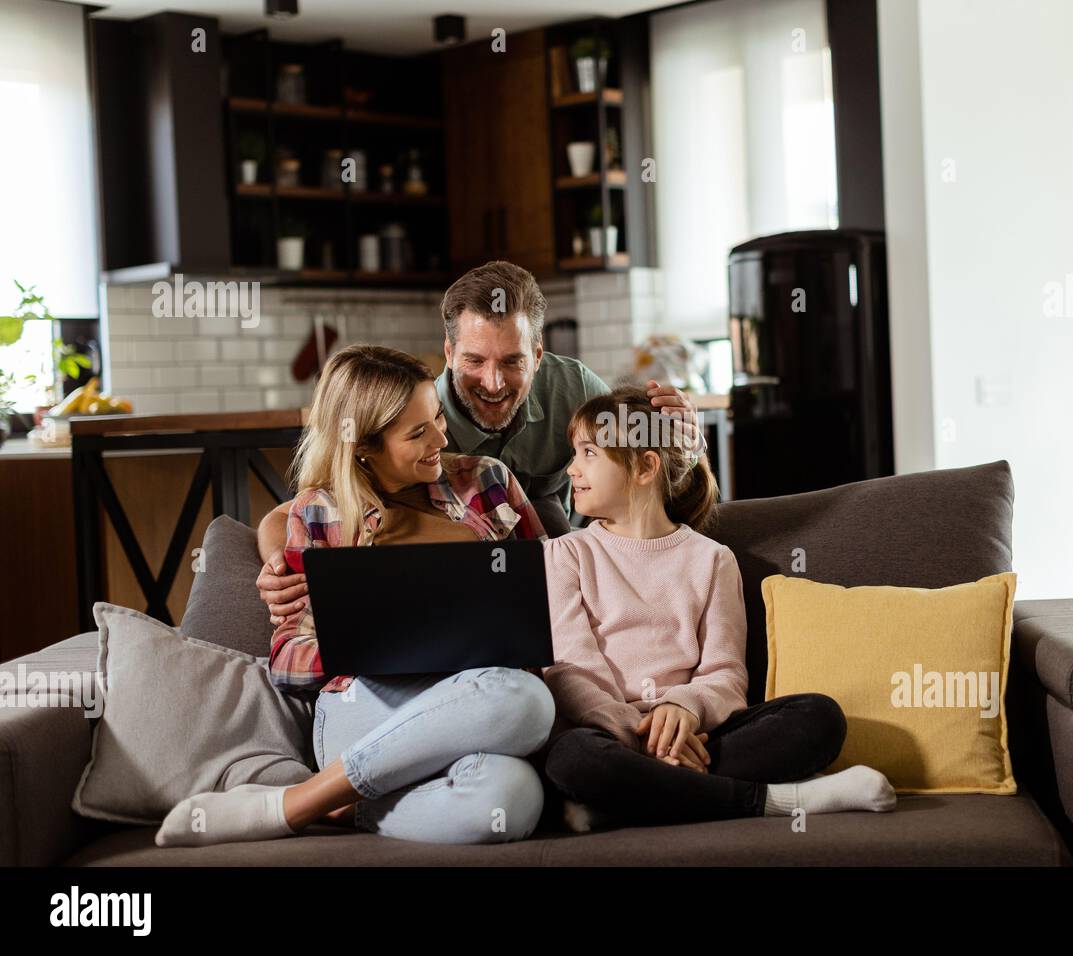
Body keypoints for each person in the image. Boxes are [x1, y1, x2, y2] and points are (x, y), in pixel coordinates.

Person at [154, 345, 554, 847]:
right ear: (364, 444)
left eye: (436, 418)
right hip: (364, 708)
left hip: (476, 704)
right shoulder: (319, 514)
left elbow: (552, 591)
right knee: (526, 702)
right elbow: (286, 660)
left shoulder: (487, 481)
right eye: (417, 432)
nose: (440, 438)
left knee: (506, 802)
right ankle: (297, 804)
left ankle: (328, 804)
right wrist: (376, 638)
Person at [255, 259, 699, 623]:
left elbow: (653, 470)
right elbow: (306, 510)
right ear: (448, 354)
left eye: (512, 362)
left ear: (539, 354)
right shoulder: (413, 415)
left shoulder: (575, 388)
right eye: (474, 361)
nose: (493, 382)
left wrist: (686, 442)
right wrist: (284, 568)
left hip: (569, 565)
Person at [540, 385, 898, 830]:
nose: (572, 468)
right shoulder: (565, 554)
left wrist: (685, 708)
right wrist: (638, 734)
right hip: (608, 733)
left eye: (588, 453)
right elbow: (568, 669)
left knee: (818, 717)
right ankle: (770, 800)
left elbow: (727, 675)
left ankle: (624, 801)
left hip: (694, 731)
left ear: (645, 467)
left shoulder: (712, 559)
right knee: (573, 758)